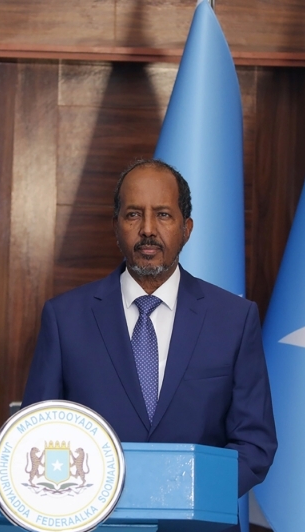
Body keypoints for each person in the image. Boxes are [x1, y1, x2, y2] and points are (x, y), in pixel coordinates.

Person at [22, 159, 277, 502]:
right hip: (98, 523)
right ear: (115, 226)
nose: (147, 229)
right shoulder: (65, 318)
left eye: (163, 214)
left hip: (196, 524)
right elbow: (37, 435)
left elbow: (254, 444)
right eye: (133, 214)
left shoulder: (234, 319)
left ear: (186, 228)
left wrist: (183, 496)